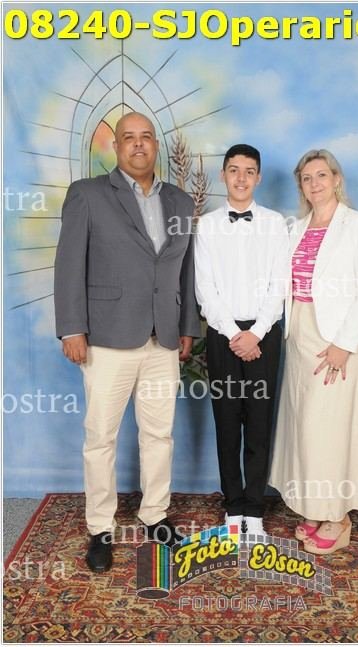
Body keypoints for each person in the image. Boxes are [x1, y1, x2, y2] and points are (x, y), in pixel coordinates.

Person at [54, 112, 200, 572]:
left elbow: (186, 268)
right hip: (106, 338)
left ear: (156, 145)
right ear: (116, 147)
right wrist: (72, 328)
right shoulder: (88, 194)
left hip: (163, 339)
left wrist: (187, 326)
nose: (138, 145)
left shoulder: (180, 201)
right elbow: (68, 264)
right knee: (101, 437)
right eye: (128, 138)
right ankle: (100, 527)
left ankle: (155, 514)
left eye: (146, 137)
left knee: (159, 433)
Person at [269, 149, 358, 554]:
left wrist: (343, 344)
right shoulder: (296, 228)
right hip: (300, 332)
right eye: (307, 178)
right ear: (301, 186)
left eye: (322, 175)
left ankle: (338, 517)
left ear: (336, 179)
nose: (314, 183)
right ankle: (316, 505)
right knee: (306, 426)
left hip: (340, 337)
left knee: (333, 428)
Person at [195, 144, 289, 535]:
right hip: (223, 334)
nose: (241, 178)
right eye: (234, 170)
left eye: (249, 171)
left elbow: (279, 285)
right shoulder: (207, 225)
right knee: (227, 420)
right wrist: (235, 334)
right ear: (223, 175)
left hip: (264, 334)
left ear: (259, 177)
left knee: (260, 422)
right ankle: (233, 506)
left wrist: (257, 333)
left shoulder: (275, 223)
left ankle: (255, 508)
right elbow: (205, 289)